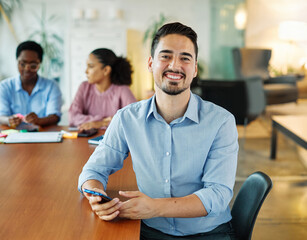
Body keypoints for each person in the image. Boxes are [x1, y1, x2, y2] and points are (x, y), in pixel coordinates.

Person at [78, 22, 239, 239]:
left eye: (185, 58)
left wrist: (155, 207)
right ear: (151, 63)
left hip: (207, 232)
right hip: (149, 231)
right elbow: (92, 172)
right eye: (165, 56)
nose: (175, 65)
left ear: (195, 68)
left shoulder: (221, 122)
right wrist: (96, 196)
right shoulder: (126, 118)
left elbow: (218, 195)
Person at [68, 48, 136, 131]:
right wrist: (103, 121)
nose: (86, 71)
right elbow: (72, 117)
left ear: (106, 70)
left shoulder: (123, 90)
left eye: (91, 66)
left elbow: (134, 119)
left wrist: (101, 124)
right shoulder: (84, 87)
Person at [0, 41, 62, 127]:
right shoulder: (4, 86)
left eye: (33, 65)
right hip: (14, 135)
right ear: (17, 61)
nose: (27, 69)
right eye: (22, 64)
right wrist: (9, 120)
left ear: (39, 64)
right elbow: (1, 116)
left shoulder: (51, 86)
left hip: (43, 134)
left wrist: (39, 121)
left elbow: (55, 116)